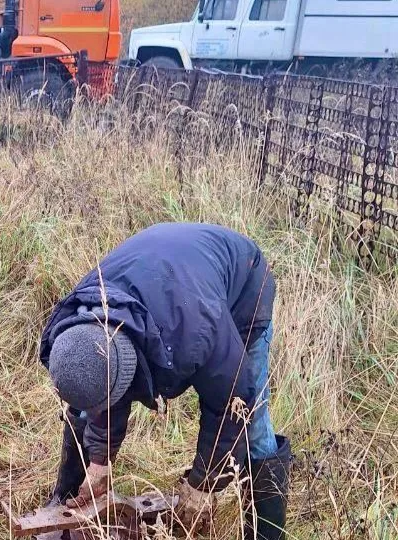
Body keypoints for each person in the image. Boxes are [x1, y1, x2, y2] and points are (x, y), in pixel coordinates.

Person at [39, 222, 290, 540]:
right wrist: (100, 461)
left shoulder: (195, 332)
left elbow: (232, 403)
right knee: (87, 397)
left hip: (244, 284)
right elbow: (104, 383)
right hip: (172, 272)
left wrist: (204, 484)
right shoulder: (84, 316)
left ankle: (268, 534)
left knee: (252, 424)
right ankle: (66, 506)